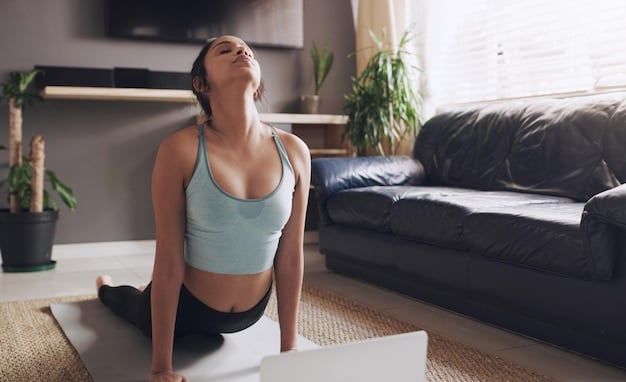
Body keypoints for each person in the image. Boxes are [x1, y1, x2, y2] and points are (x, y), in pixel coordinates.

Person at [96, 35, 311, 382]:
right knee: (130, 307)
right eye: (225, 49)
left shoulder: (295, 151)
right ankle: (107, 288)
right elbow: (167, 260)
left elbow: (290, 257)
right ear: (201, 83)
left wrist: (290, 350)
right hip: (187, 308)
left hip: (250, 312)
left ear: (257, 85)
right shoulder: (178, 150)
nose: (242, 50)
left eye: (247, 50)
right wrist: (161, 368)